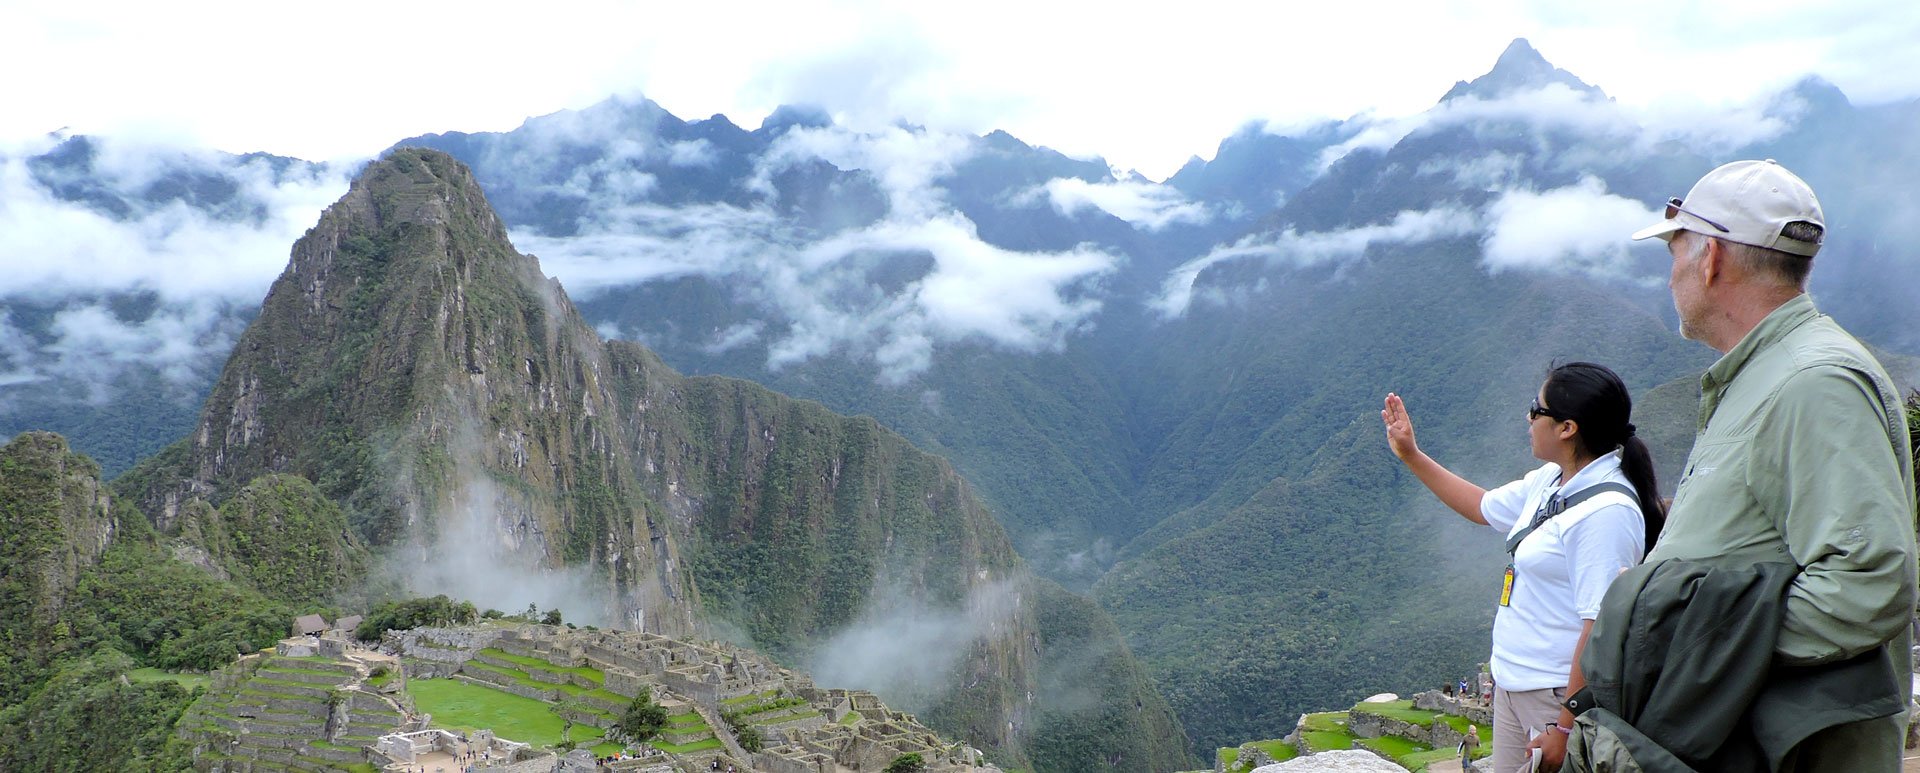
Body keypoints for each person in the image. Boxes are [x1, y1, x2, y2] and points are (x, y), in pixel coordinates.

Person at [1623, 159, 1918, 770]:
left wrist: (1701, 655)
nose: (1672, 274)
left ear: (1710, 260)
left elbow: (1869, 579)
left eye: (1674, 252)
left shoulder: (1813, 382)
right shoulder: (1763, 373)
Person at [1383, 361, 1665, 773]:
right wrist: (1411, 455)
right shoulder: (1552, 480)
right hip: (1513, 685)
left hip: (1552, 697)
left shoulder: (1607, 513)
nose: (1529, 417)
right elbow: (1481, 507)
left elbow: (1599, 628)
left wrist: (1565, 727)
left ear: (1567, 428)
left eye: (1538, 408)